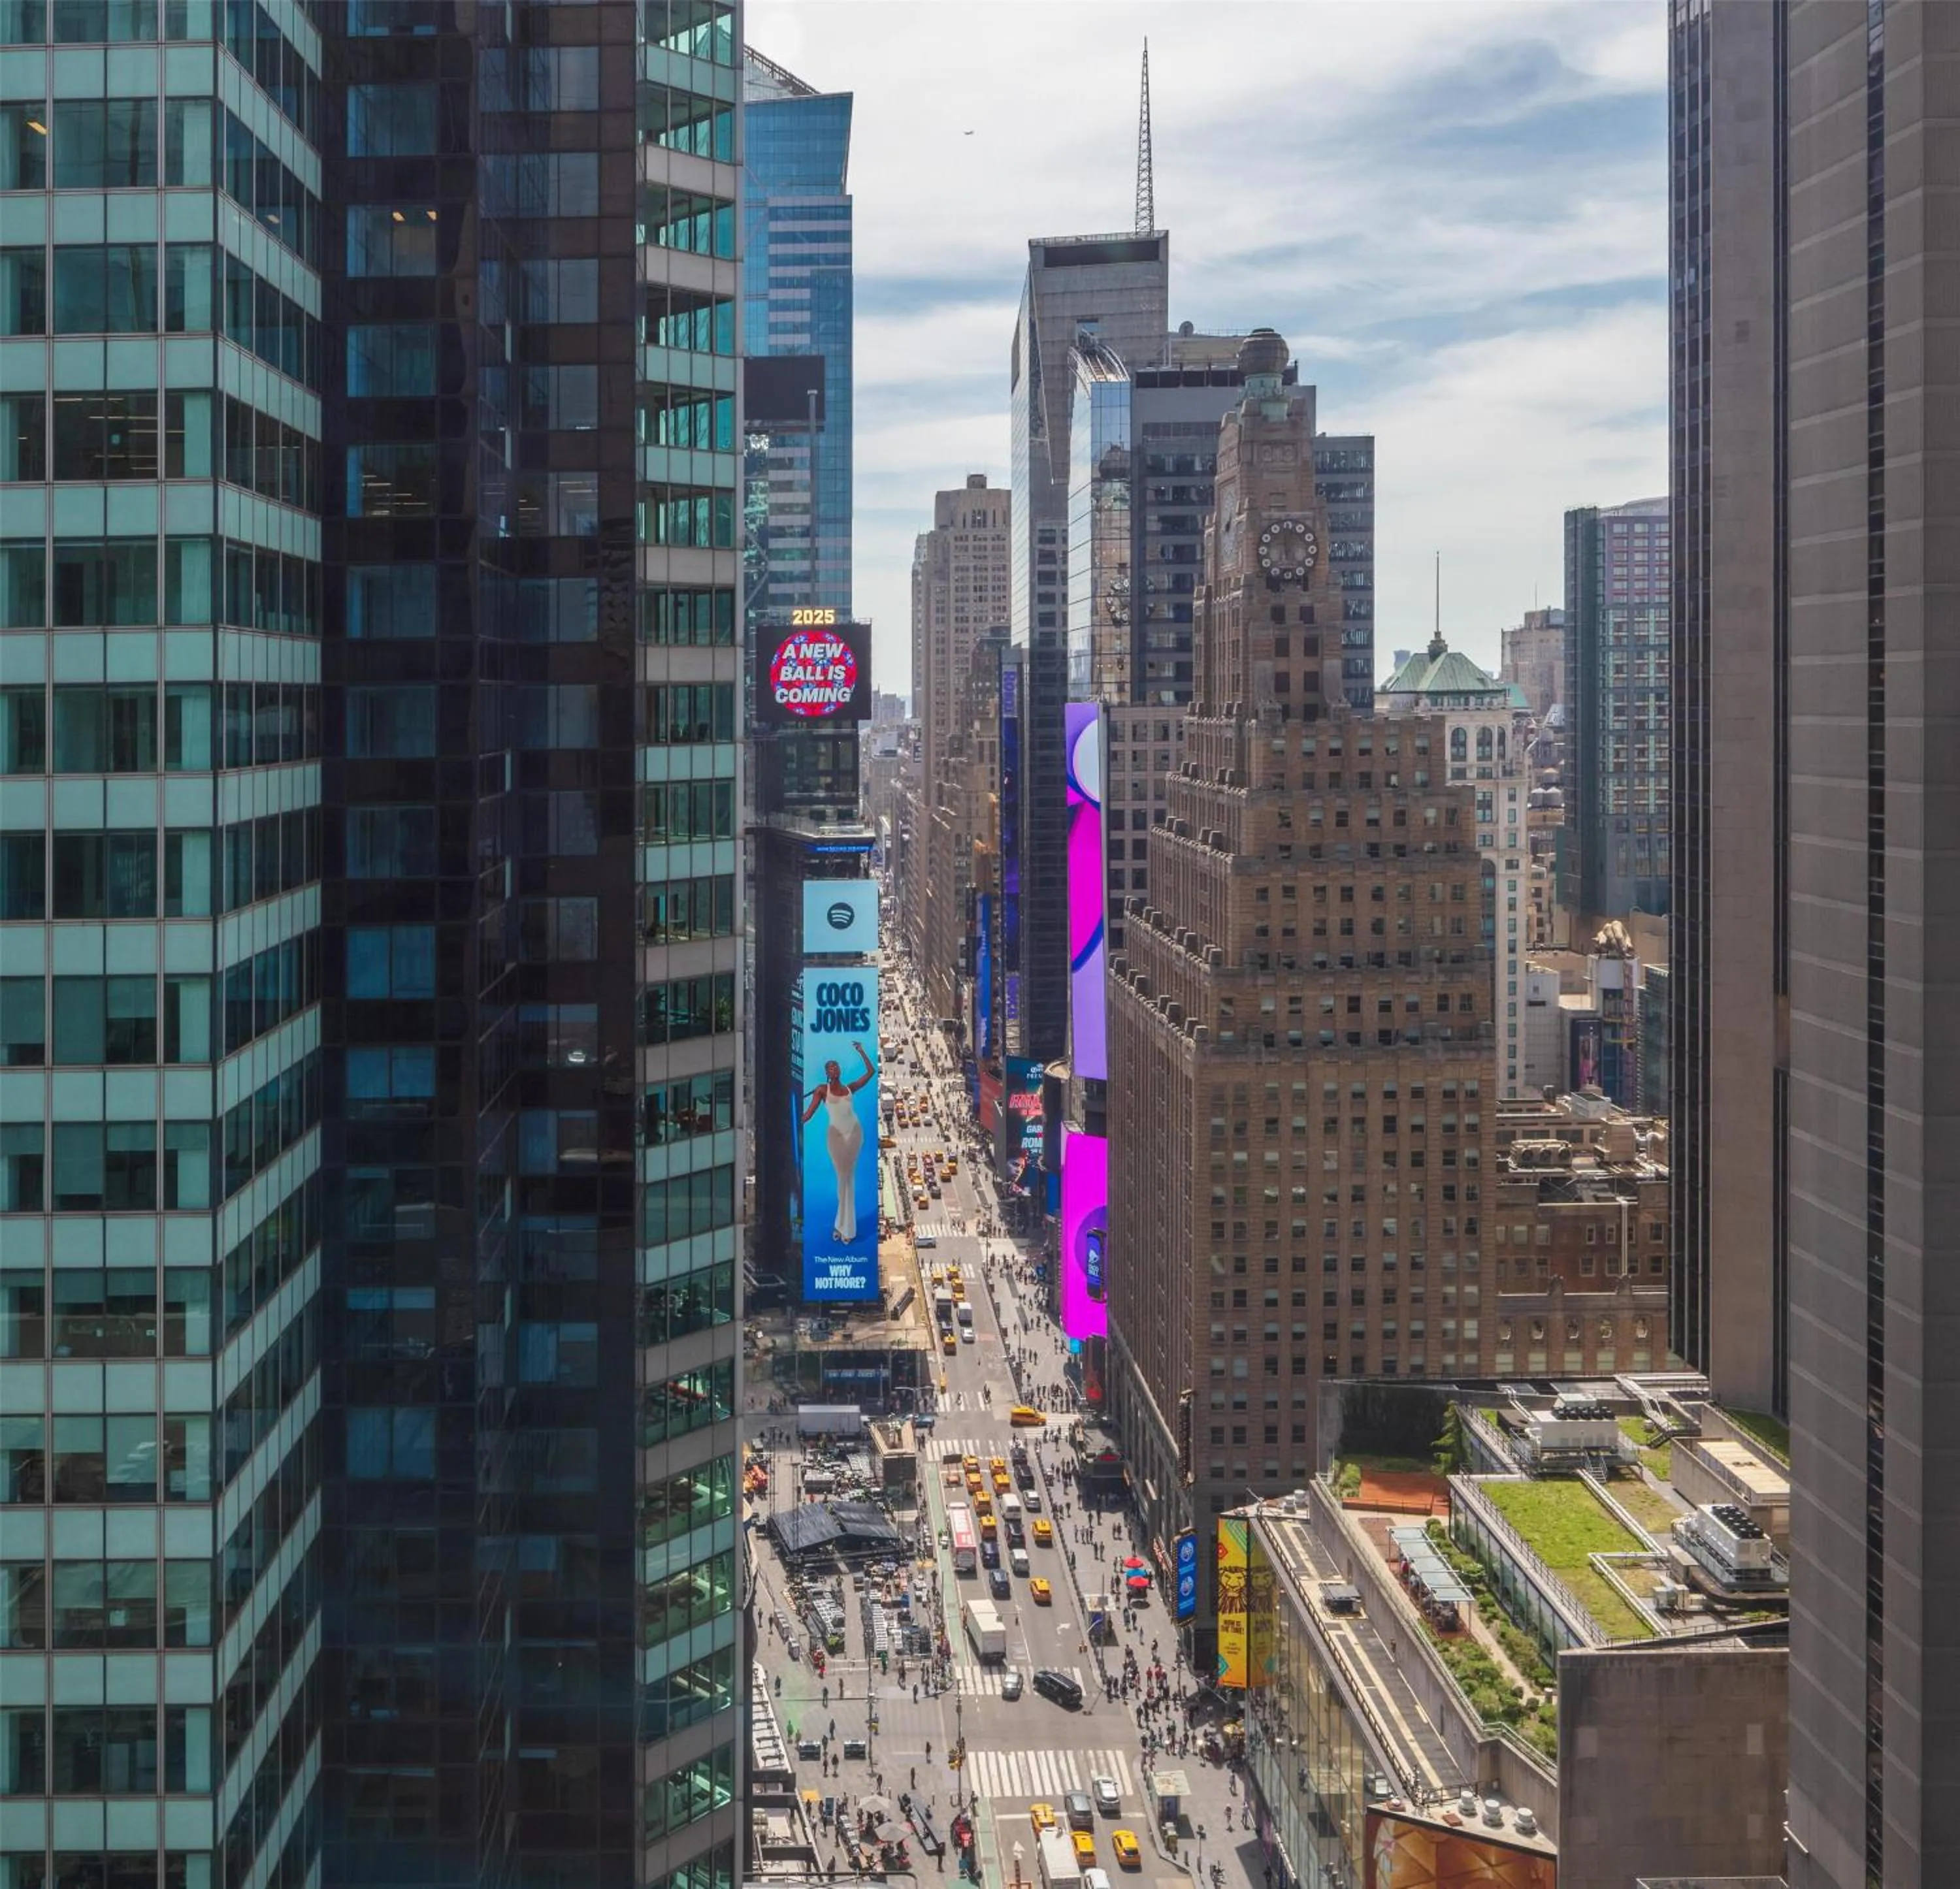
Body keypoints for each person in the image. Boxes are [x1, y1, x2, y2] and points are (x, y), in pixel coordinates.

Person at [802, 1042, 876, 1241]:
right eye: (830, 1067)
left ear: (840, 1070)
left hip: (854, 1135)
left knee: (848, 1181)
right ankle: (843, 1227)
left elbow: (871, 1072)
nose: (834, 1069)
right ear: (827, 1072)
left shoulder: (850, 1088)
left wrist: (861, 1051)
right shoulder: (821, 1090)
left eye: (836, 1066)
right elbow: (808, 1115)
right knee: (843, 1180)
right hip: (836, 1137)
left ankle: (845, 1229)